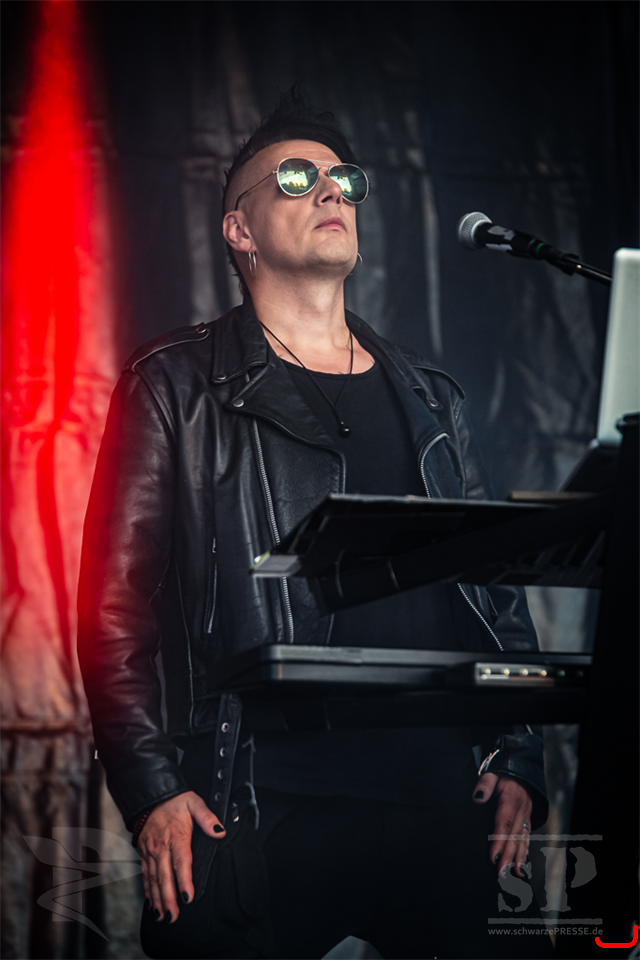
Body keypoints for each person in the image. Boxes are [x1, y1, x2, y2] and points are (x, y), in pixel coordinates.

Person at [78, 93, 553, 959]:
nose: (332, 191)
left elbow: (492, 590)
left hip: (442, 799)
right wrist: (151, 790)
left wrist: (518, 754)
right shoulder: (173, 386)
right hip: (262, 801)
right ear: (240, 230)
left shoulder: (431, 396)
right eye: (296, 178)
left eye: (344, 180)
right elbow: (114, 612)